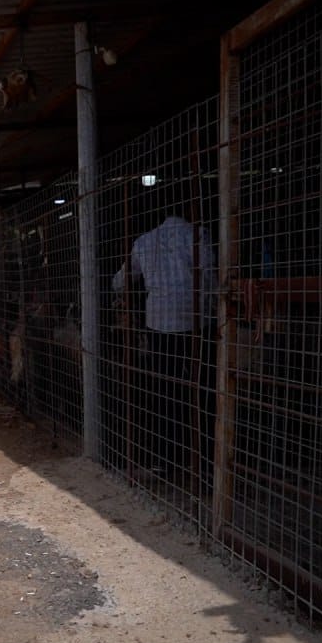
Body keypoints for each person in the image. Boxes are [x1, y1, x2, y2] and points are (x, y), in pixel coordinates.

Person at [111, 207, 217, 483]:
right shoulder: (198, 236)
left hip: (159, 325)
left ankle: (164, 462)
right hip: (197, 325)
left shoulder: (144, 242)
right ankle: (204, 465)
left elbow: (121, 281)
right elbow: (211, 278)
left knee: (164, 392)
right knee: (201, 391)